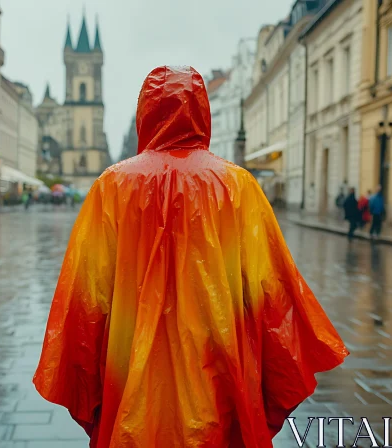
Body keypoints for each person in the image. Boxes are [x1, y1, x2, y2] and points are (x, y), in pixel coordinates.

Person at [33, 66, 348, 448]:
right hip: (219, 375)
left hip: (133, 382)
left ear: (145, 113)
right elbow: (273, 295)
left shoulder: (111, 187)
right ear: (202, 112)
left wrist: (89, 390)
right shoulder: (238, 187)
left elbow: (83, 304)